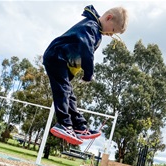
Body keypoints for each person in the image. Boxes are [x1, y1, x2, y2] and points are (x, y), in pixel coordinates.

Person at [43, 5, 128, 145]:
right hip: (56, 56)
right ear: (108, 18)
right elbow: (86, 49)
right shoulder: (90, 26)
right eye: (113, 30)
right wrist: (89, 73)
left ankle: (79, 126)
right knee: (63, 91)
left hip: (63, 61)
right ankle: (64, 124)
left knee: (69, 95)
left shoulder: (95, 29)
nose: (111, 35)